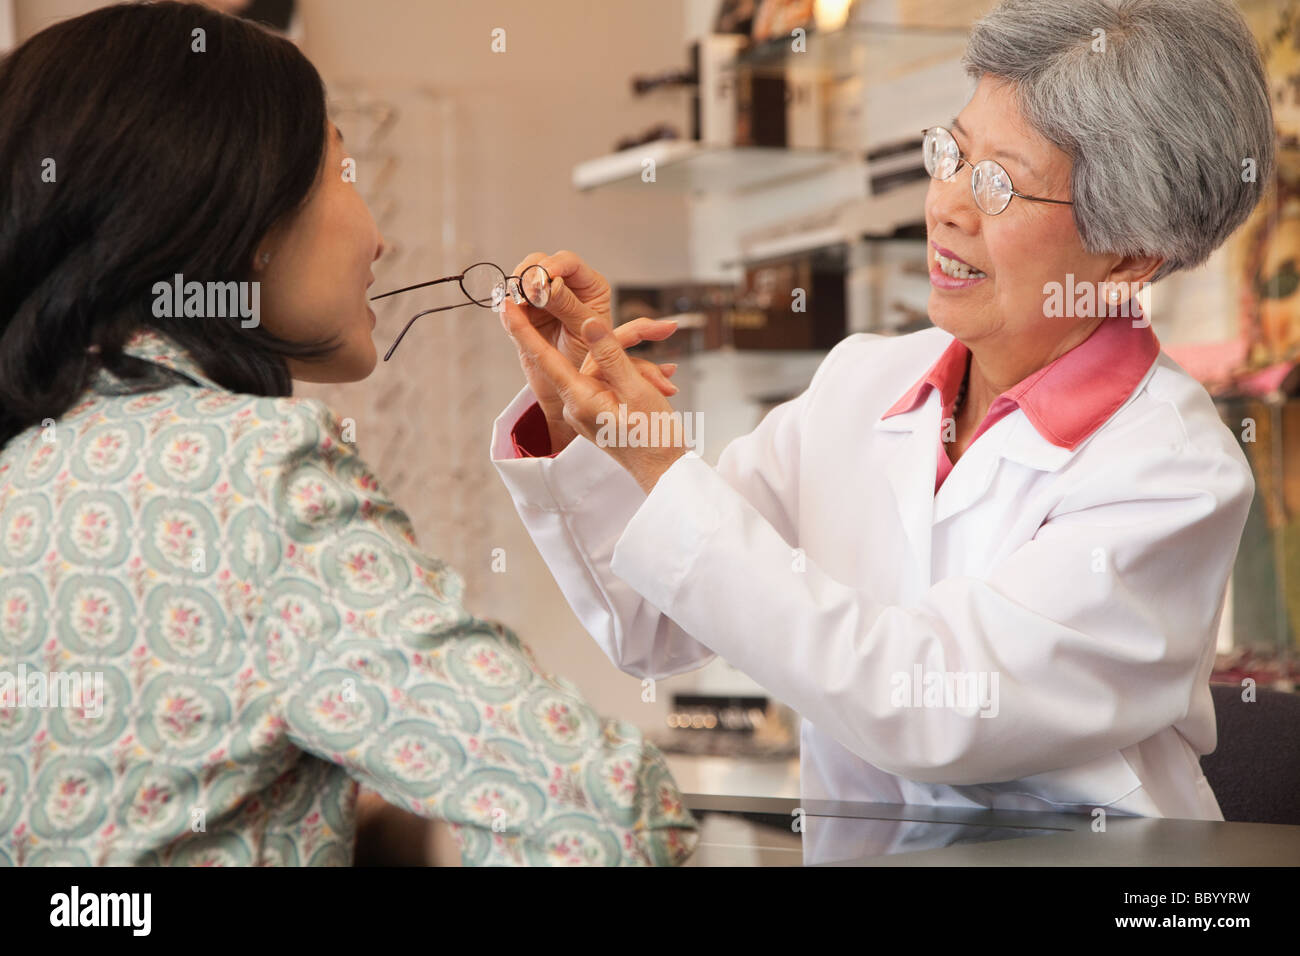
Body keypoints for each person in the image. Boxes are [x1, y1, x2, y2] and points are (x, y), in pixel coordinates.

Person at [492, 0, 1273, 858]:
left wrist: (661, 462)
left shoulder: (1173, 469)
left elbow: (932, 705)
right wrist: (583, 429)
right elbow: (655, 621)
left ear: (1128, 254)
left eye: (999, 184)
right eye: (954, 153)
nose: (946, 208)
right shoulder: (864, 383)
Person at [0, 1, 697, 867]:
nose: (380, 235)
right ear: (240, 213)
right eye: (342, 172)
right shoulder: (249, 479)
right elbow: (608, 815)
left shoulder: (27, 466)